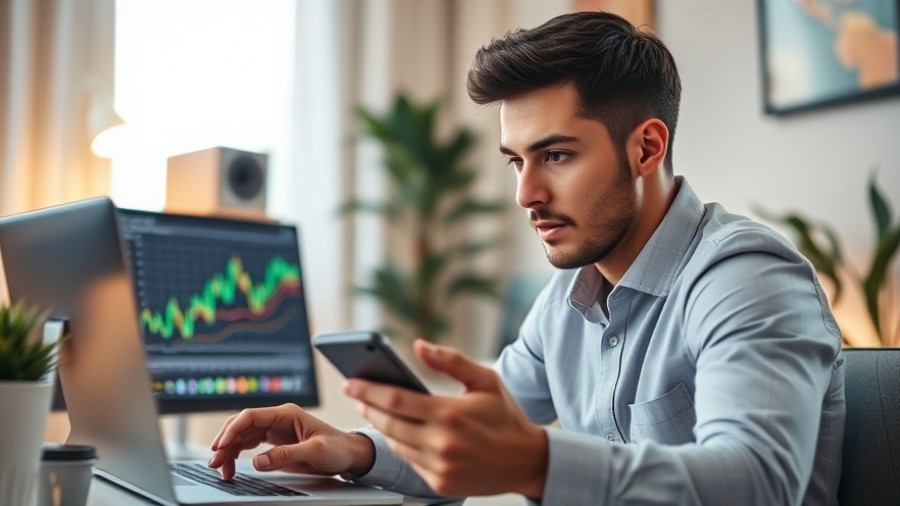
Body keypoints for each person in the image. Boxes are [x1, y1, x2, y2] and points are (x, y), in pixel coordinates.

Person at [209, 11, 845, 505]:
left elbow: (759, 485)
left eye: (557, 156)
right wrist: (352, 449)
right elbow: (469, 444)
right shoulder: (566, 302)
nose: (525, 194)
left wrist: (532, 462)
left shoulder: (747, 278)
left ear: (646, 148)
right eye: (517, 161)